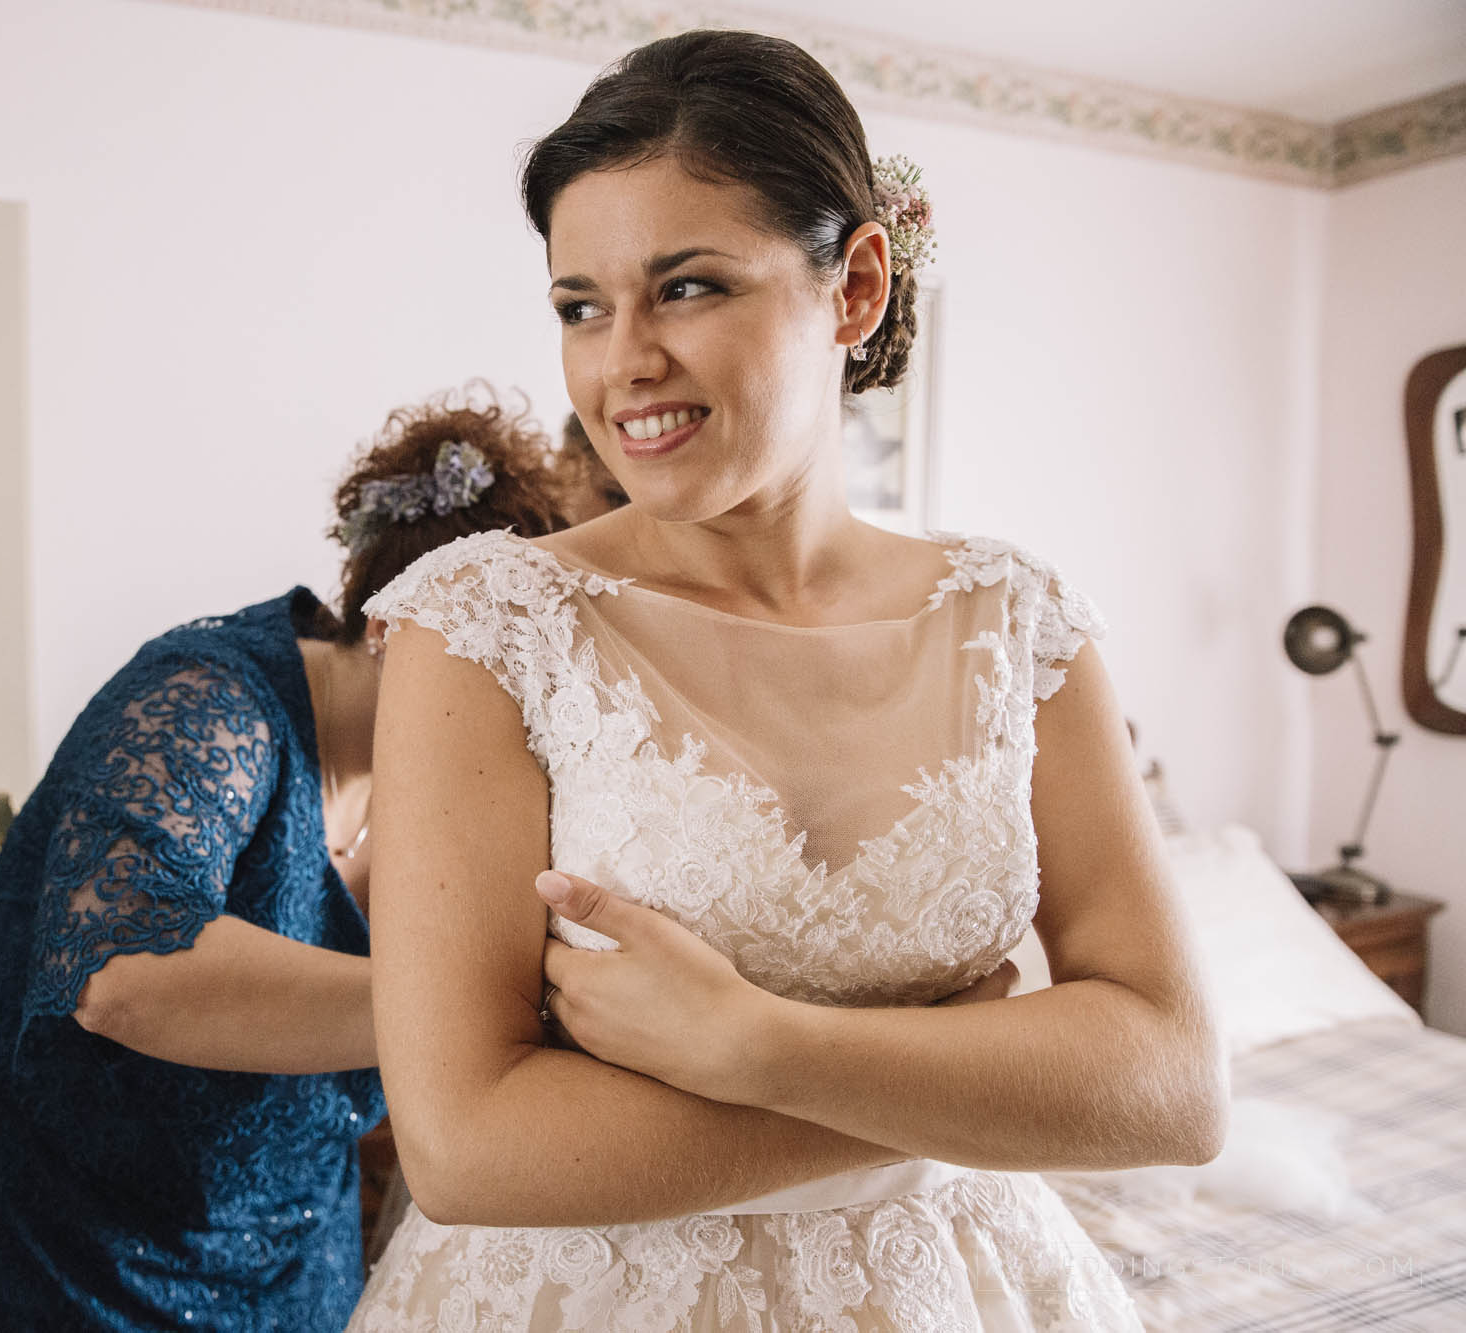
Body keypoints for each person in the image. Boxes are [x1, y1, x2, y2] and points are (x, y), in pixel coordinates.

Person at [348, 30, 1225, 1331]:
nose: (621, 363)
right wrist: (953, 1074)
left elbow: (1174, 1087)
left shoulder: (1017, 621)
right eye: (580, 306)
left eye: (688, 288)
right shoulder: (483, 628)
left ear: (856, 286)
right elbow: (471, 1147)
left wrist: (758, 1046)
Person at [0, 389, 568, 1330]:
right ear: (389, 632)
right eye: (506, 677)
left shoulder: (456, 774)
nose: (529, 719)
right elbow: (122, 970)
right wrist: (473, 1005)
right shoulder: (212, 704)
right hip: (35, 1216)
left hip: (272, 1236)